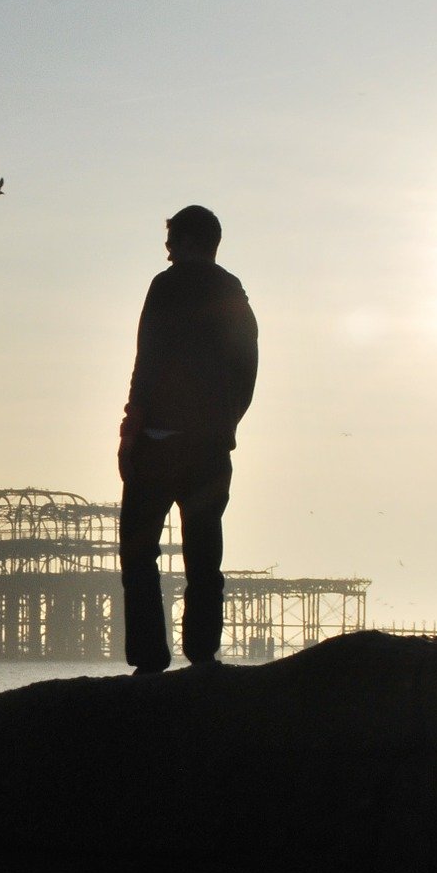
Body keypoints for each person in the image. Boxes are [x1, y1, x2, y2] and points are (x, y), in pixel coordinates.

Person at [118, 205, 259, 674]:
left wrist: (131, 431)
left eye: (171, 240)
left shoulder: (166, 286)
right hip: (211, 449)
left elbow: (148, 361)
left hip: (160, 442)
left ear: (184, 241)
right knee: (204, 554)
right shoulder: (233, 290)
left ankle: (149, 660)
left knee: (139, 552)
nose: (166, 250)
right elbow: (247, 371)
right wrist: (224, 426)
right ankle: (202, 655)